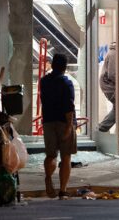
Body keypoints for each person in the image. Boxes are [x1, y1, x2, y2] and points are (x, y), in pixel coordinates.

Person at [40, 53, 77, 200]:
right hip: (63, 122)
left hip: (48, 122)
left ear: (52, 65)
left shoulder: (43, 82)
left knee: (50, 155)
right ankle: (63, 190)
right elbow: (68, 106)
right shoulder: (66, 83)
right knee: (66, 157)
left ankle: (48, 177)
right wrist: (69, 127)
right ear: (65, 67)